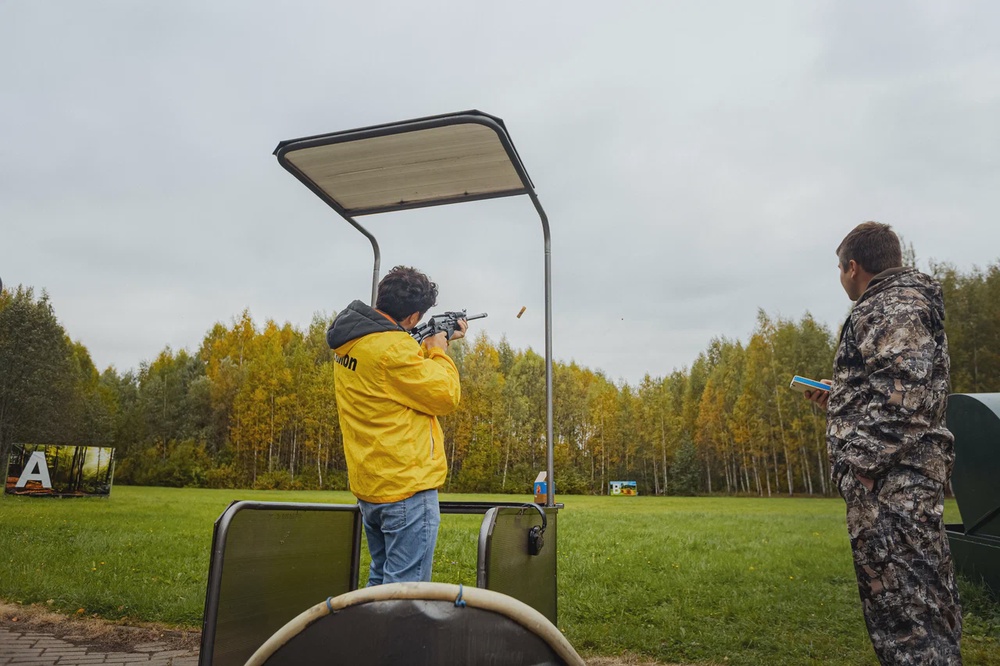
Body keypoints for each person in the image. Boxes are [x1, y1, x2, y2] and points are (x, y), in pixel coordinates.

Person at [805, 222, 962, 665]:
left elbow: (904, 404)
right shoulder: (902, 305)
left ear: (852, 267)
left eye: (840, 270)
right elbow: (903, 389)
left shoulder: (889, 307)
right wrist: (843, 395)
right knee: (920, 600)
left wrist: (862, 468)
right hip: (900, 480)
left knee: (908, 616)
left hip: (892, 488)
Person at [327, 265, 467, 586]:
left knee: (381, 581)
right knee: (406, 593)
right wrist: (438, 351)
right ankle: (395, 638)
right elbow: (445, 396)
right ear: (414, 317)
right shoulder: (394, 351)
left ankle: (369, 637)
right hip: (406, 488)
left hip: (372, 486)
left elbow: (391, 377)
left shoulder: (354, 341)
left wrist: (431, 344)